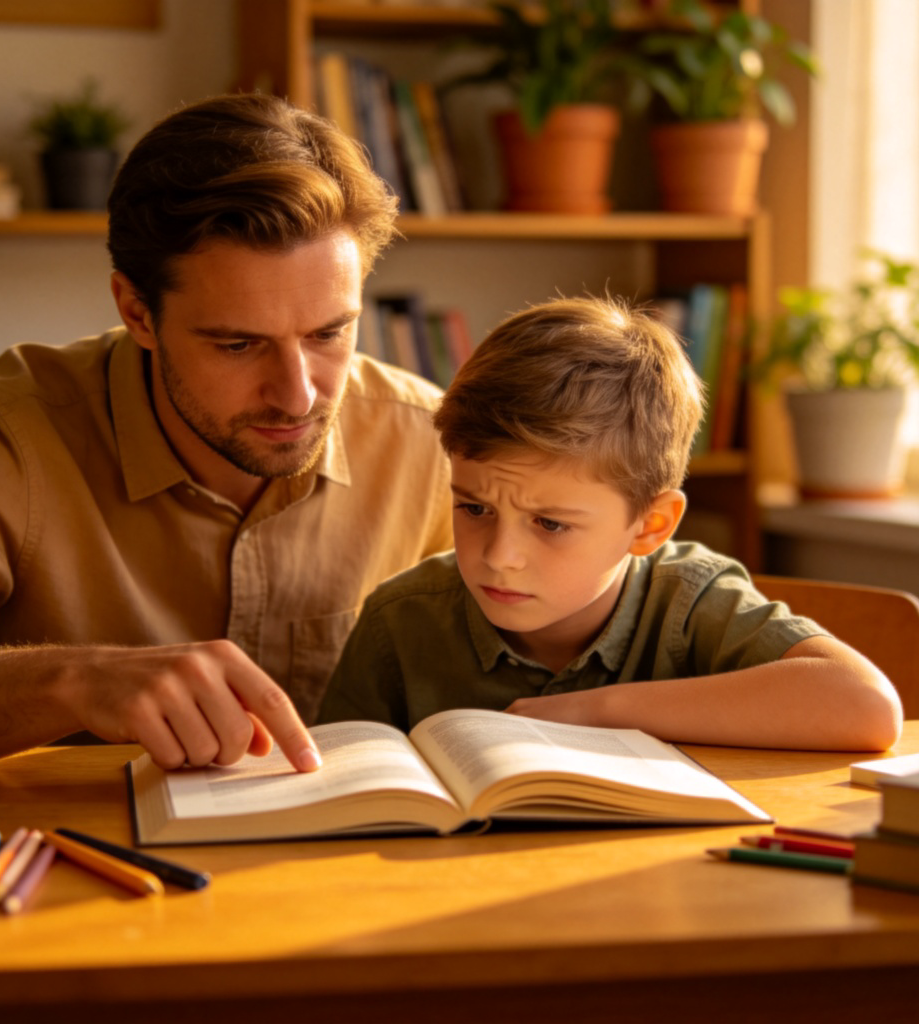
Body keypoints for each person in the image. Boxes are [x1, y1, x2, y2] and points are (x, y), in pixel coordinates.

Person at [0, 93, 454, 770]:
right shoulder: (0, 434)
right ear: (137, 312)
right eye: (238, 345)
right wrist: (77, 682)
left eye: (329, 333)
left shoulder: (434, 444)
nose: (299, 394)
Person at [319, 296, 903, 751]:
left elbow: (867, 708)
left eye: (549, 524)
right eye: (475, 508)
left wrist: (592, 712)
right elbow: (341, 785)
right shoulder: (399, 621)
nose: (499, 556)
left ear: (650, 525)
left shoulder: (691, 601)